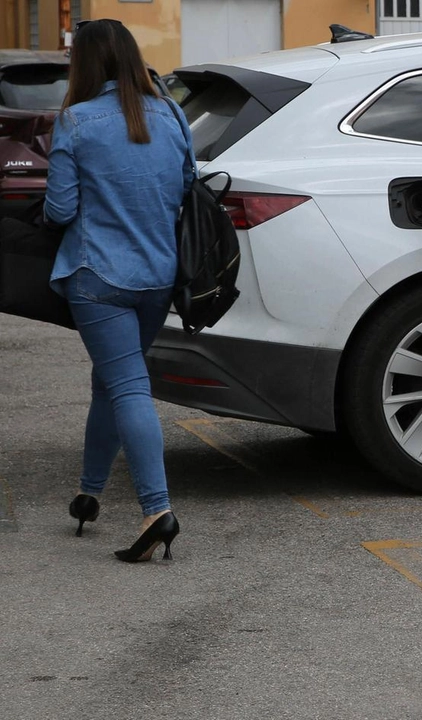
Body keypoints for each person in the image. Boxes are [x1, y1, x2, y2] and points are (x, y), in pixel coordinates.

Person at [45, 19, 190, 562]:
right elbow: (184, 184)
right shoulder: (172, 113)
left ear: (85, 64)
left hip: (99, 276)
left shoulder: (76, 121)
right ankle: (89, 493)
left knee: (126, 385)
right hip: (159, 275)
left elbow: (59, 209)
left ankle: (157, 510)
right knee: (111, 381)